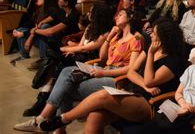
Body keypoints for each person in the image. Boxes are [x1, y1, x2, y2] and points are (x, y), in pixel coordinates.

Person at [38, 18, 187, 133]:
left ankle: (63, 119)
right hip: (134, 92)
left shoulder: (174, 60)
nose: (151, 35)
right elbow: (131, 72)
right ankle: (61, 119)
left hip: (151, 104)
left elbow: (149, 80)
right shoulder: (150, 48)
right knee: (95, 117)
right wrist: (144, 85)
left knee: (104, 95)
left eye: (154, 33)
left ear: (164, 37)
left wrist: (150, 55)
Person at [13, 8, 144, 133]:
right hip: (103, 69)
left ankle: (44, 122)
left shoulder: (136, 39)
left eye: (120, 14)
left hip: (117, 79)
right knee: (66, 72)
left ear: (130, 17)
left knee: (65, 88)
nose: (116, 16)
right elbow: (103, 57)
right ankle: (52, 126)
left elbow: (131, 68)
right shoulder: (116, 36)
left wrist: (104, 72)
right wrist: (109, 37)